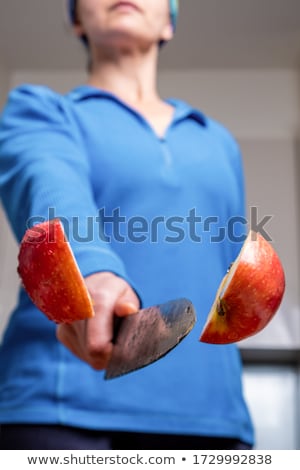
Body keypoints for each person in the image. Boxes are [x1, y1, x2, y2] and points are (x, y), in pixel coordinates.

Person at [0, 0, 254, 450]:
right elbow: (49, 187)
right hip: (61, 411)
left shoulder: (217, 141)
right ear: (77, 19)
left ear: (170, 24)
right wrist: (90, 269)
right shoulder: (42, 111)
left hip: (211, 415)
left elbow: (233, 273)